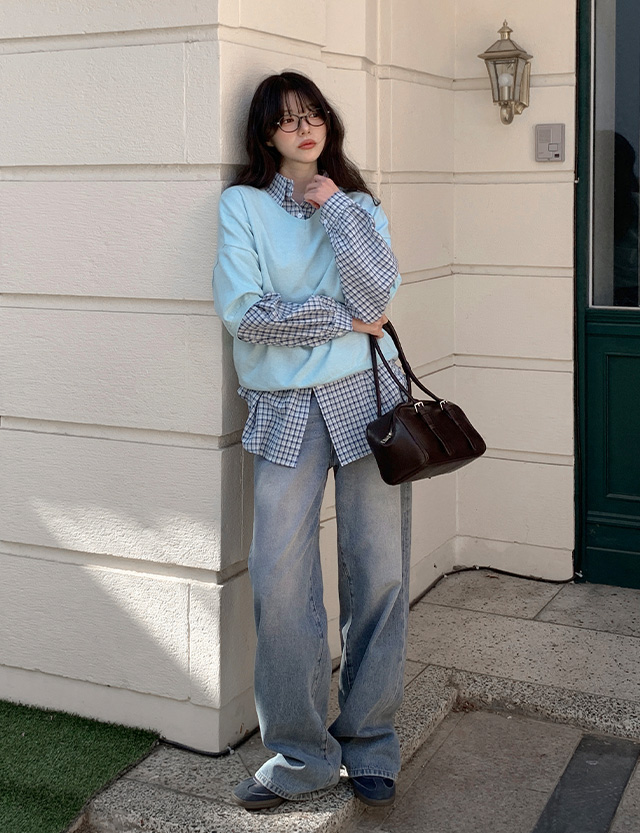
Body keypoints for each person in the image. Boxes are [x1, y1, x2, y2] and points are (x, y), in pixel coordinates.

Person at [212, 71, 412, 811]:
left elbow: (377, 301)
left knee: (379, 573)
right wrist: (337, 319)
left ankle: (370, 741)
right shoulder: (243, 206)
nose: (305, 128)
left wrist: (336, 209)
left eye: (314, 114)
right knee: (279, 578)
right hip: (286, 407)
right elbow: (246, 314)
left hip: (367, 399)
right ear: (265, 134)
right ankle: (299, 754)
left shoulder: (358, 205)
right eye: (287, 119)